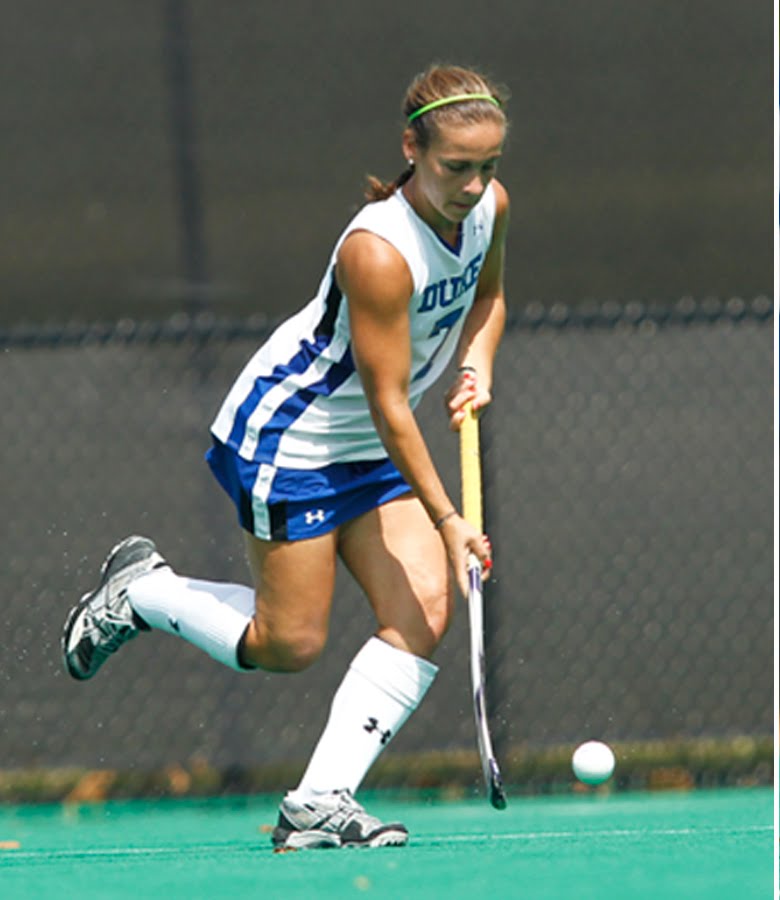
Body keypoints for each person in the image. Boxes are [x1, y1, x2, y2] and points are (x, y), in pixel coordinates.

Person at [61, 63, 511, 850]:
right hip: (293, 439)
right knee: (287, 644)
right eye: (456, 168)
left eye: (488, 167)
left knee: (424, 612)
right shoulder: (378, 252)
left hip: (373, 445)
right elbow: (388, 401)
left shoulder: (490, 210)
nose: (474, 186)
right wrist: (447, 518)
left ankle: (318, 801)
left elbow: (489, 298)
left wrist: (479, 364)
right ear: (412, 147)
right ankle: (144, 592)